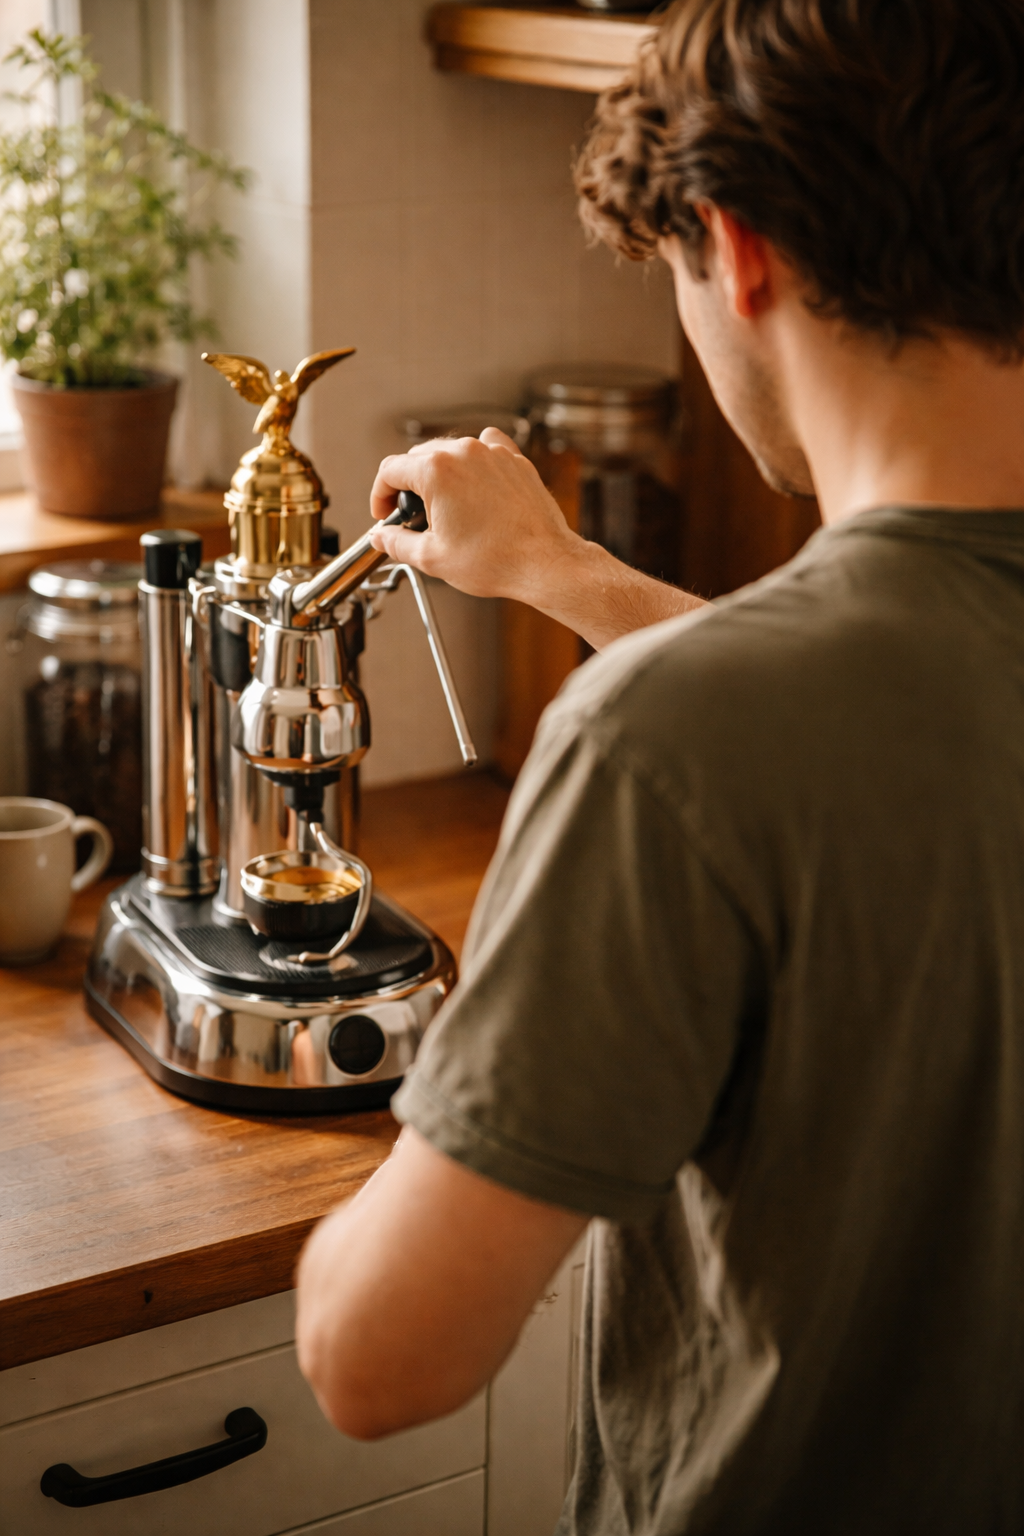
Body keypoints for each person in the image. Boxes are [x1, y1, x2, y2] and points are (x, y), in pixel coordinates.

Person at [296, 0, 1024, 1530]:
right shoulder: (750, 725)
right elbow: (887, 701)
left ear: (736, 245)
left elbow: (375, 1362)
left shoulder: (668, 752)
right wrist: (567, 575)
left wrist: (496, 1062)